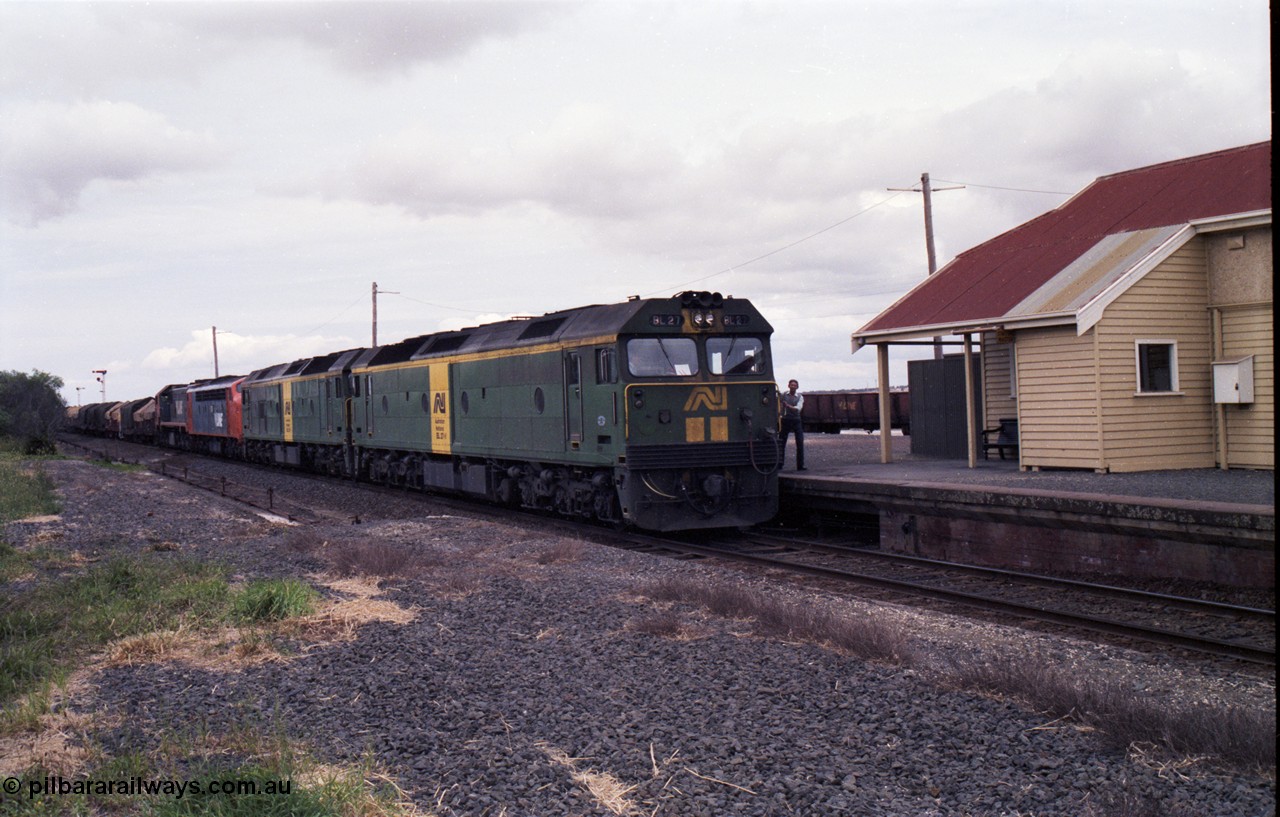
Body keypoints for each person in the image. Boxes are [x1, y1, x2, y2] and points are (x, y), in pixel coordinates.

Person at [779, 379, 806, 471]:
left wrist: (788, 406)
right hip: (785, 420)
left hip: (796, 420)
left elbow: (798, 408)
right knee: (782, 443)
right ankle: (780, 464)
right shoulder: (783, 395)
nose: (793, 387)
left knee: (800, 442)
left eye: (794, 385)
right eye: (791, 385)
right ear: (788, 386)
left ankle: (800, 465)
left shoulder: (800, 397)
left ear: (797, 387)